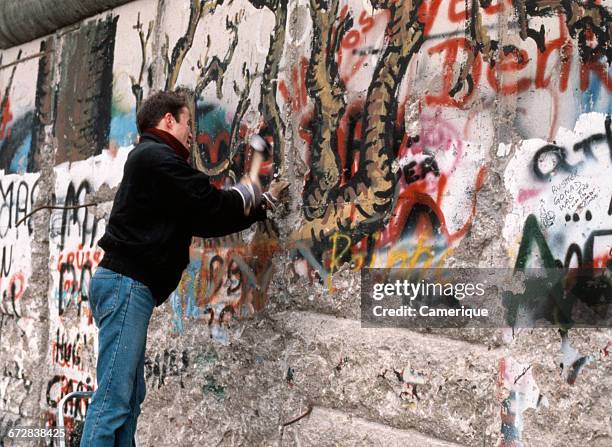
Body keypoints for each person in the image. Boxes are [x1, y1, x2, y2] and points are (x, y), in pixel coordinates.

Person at [80, 90, 287, 446]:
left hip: (127, 287)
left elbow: (204, 219)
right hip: (126, 286)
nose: (192, 132)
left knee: (127, 400)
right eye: (188, 123)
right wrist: (250, 192)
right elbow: (208, 204)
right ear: (168, 121)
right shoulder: (155, 157)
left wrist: (257, 204)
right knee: (113, 401)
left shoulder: (154, 162)